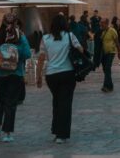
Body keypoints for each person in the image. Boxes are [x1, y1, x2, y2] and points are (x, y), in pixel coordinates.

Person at [36, 13, 84, 144]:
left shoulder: (45, 38)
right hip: (67, 73)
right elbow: (81, 50)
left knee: (57, 102)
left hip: (51, 75)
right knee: (65, 104)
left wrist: (38, 76)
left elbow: (41, 58)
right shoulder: (69, 36)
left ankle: (56, 130)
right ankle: (62, 134)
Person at [0, 13, 32, 142]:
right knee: (11, 103)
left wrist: (0, 53)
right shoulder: (20, 37)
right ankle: (7, 133)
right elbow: (27, 54)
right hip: (15, 73)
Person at [99, 18, 118, 92]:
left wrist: (119, 52)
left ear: (107, 23)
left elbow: (117, 41)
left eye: (102, 23)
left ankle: (106, 86)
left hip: (111, 52)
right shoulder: (103, 32)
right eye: (100, 23)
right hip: (104, 53)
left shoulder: (112, 31)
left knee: (107, 68)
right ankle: (110, 85)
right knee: (105, 69)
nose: (101, 24)